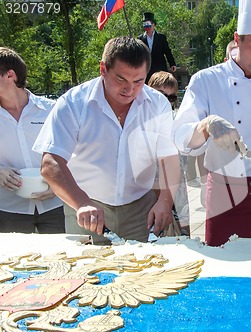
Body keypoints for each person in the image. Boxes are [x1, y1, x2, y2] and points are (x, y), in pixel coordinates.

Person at [172, 0, 251, 247]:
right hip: (224, 190)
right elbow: (180, 136)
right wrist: (205, 126)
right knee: (226, 265)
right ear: (237, 39)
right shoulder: (206, 80)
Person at [33, 36, 181, 244]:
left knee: (143, 273)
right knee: (86, 272)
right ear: (103, 69)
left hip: (141, 211)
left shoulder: (158, 104)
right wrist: (82, 202)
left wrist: (165, 200)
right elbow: (51, 163)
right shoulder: (74, 102)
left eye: (138, 81)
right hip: (86, 209)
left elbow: (169, 158)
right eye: (121, 79)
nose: (130, 90)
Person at [0, 47, 64, 234]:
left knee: (59, 261)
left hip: (55, 205)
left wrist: (58, 185)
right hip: (9, 209)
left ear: (10, 75)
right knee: (15, 263)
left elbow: (76, 153)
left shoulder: (52, 110)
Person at [148, 71, 190, 235]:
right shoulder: (138, 120)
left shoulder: (178, 120)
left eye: (171, 97)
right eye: (161, 94)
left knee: (181, 238)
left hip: (176, 189)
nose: (165, 101)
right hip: (149, 191)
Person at [138, 12, 177, 83]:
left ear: (153, 24)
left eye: (148, 24)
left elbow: (167, 51)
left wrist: (172, 64)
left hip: (159, 68)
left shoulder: (161, 37)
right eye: (144, 24)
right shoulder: (140, 39)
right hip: (146, 69)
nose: (146, 27)